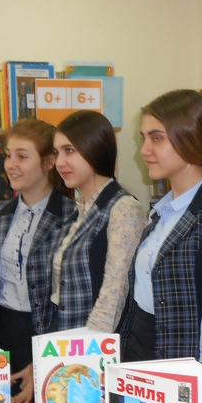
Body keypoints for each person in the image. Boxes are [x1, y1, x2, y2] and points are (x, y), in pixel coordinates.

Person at [118, 89, 202, 403]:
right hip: (143, 367)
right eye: (144, 138)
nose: (145, 150)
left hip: (189, 380)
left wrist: (199, 397)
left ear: (188, 138)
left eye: (157, 138)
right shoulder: (161, 212)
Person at [0, 119, 74, 403]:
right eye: (8, 155)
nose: (11, 165)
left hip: (50, 338)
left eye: (22, 156)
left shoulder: (72, 215)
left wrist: (46, 359)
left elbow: (72, 299)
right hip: (3, 335)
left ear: (48, 162)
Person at [49, 110, 142, 333]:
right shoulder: (79, 209)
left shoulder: (123, 208)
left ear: (95, 149)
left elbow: (114, 294)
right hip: (64, 338)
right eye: (57, 152)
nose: (60, 162)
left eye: (69, 150)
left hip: (93, 345)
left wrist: (89, 347)